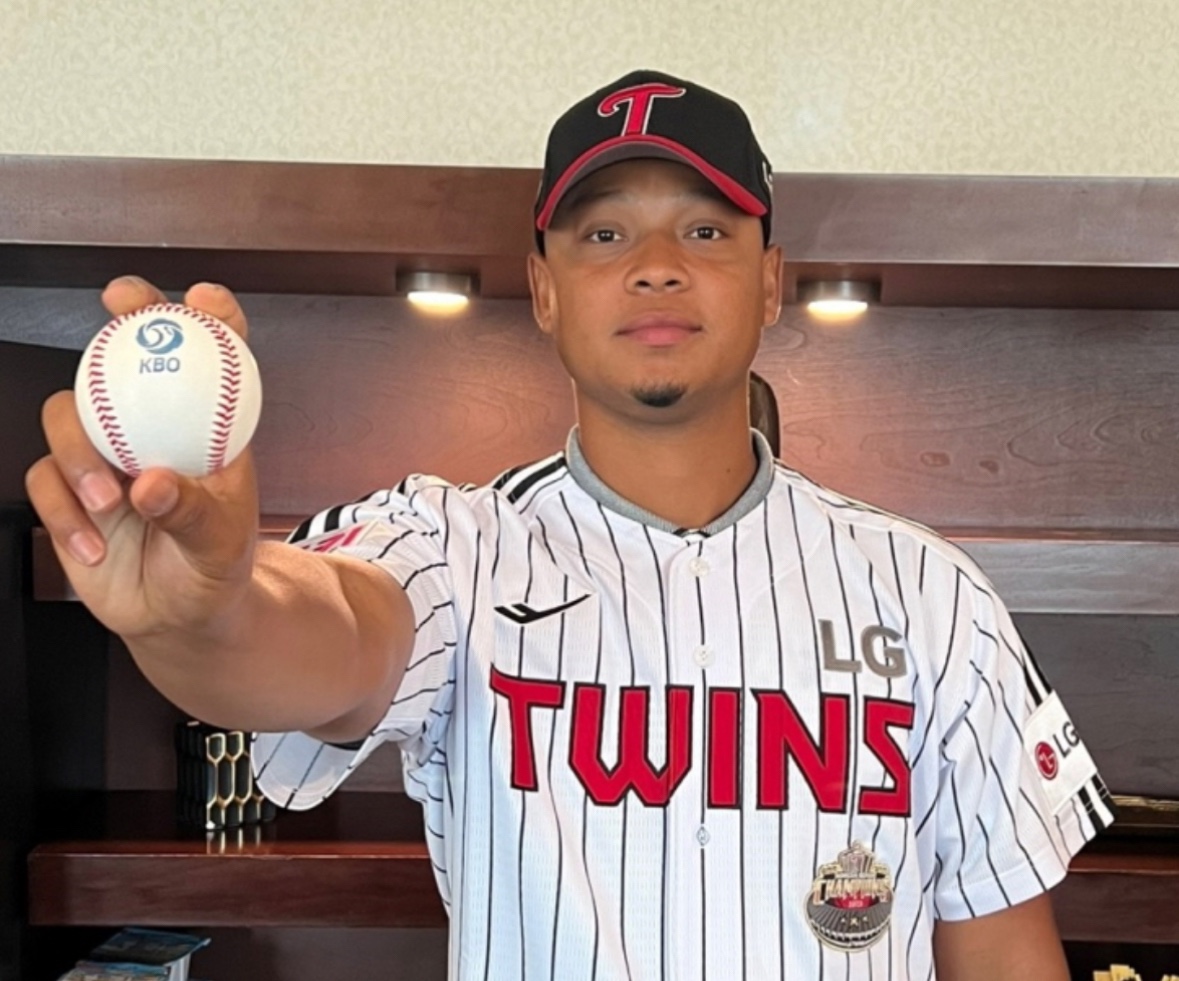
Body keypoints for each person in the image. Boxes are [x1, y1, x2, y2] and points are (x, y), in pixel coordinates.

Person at [27, 70, 1113, 980]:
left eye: (705, 228)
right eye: (604, 232)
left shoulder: (928, 591)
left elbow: (1002, 947)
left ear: (769, 282)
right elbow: (322, 632)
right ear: (544, 291)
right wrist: (203, 611)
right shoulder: (453, 545)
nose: (657, 262)